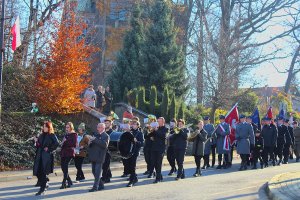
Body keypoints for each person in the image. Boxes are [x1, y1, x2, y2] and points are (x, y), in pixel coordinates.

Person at [33, 121, 59, 196]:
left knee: (43, 172)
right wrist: (36, 141)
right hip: (39, 155)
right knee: (38, 172)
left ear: (49, 127)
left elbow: (56, 143)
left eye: (45, 126)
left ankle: (42, 188)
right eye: (43, 126)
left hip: (46, 156)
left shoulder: (52, 135)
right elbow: (39, 145)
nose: (43, 128)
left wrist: (50, 149)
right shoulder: (41, 135)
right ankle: (45, 183)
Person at [88, 123, 110, 192]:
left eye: (99, 127)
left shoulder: (106, 135)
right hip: (94, 155)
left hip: (100, 156)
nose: (98, 128)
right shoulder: (95, 135)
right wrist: (90, 142)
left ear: (103, 128)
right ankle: (101, 185)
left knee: (97, 173)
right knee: (94, 171)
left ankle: (95, 187)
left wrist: (94, 140)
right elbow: (91, 145)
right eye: (98, 127)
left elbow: (104, 145)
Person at [148, 117, 168, 183]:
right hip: (154, 148)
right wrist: (150, 129)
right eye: (158, 121)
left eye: (159, 121)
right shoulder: (156, 128)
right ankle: (160, 176)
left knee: (158, 163)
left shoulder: (166, 129)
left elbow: (163, 136)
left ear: (163, 122)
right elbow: (149, 135)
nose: (158, 122)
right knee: (153, 162)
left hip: (161, 149)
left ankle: (158, 178)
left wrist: (156, 130)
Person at [127, 119, 144, 187]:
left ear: (137, 125)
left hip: (135, 151)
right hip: (129, 151)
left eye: (134, 124)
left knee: (132, 166)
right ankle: (135, 178)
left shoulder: (140, 133)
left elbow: (142, 143)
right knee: (129, 166)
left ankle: (131, 181)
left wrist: (136, 141)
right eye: (132, 124)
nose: (132, 125)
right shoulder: (130, 132)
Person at [60, 122, 77, 189]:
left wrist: (66, 141)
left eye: (68, 127)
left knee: (65, 166)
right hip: (64, 152)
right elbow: (61, 144)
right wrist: (63, 141)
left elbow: (74, 144)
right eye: (66, 127)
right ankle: (69, 181)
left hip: (70, 152)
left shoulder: (74, 134)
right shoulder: (66, 135)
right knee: (62, 166)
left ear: (71, 127)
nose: (66, 129)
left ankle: (64, 183)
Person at [101, 117, 113, 183]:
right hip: (103, 150)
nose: (105, 124)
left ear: (110, 124)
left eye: (107, 123)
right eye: (105, 123)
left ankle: (104, 177)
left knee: (105, 165)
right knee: (105, 165)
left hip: (109, 150)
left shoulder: (112, 133)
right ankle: (108, 176)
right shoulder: (103, 132)